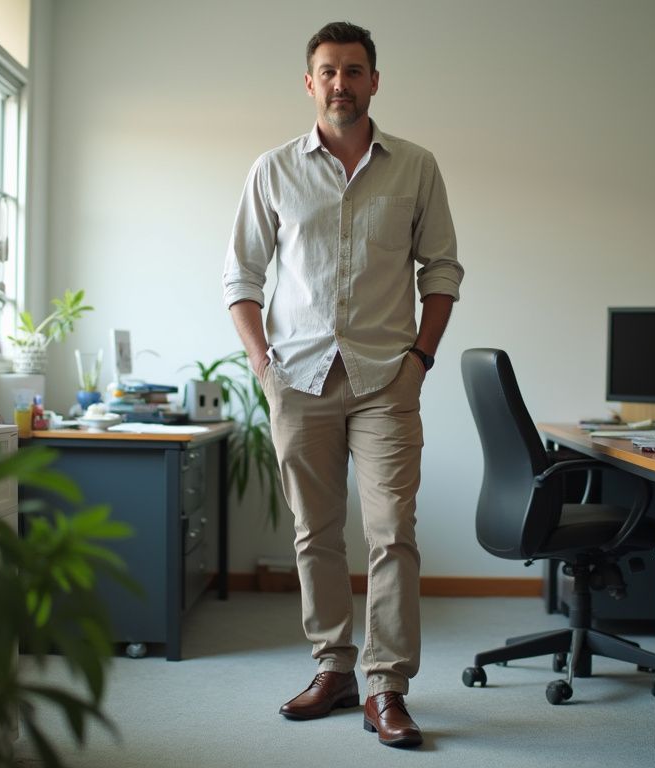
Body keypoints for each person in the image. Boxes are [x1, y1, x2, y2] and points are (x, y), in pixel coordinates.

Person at [222, 20, 463, 749]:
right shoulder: (272, 170)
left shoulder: (416, 167)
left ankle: (386, 687)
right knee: (315, 533)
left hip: (387, 379)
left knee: (392, 533)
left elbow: (442, 271)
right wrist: (264, 366)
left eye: (354, 71)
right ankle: (333, 669)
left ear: (374, 81)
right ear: (309, 82)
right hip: (297, 378)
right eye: (327, 71)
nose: (341, 84)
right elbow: (241, 277)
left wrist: (419, 360)